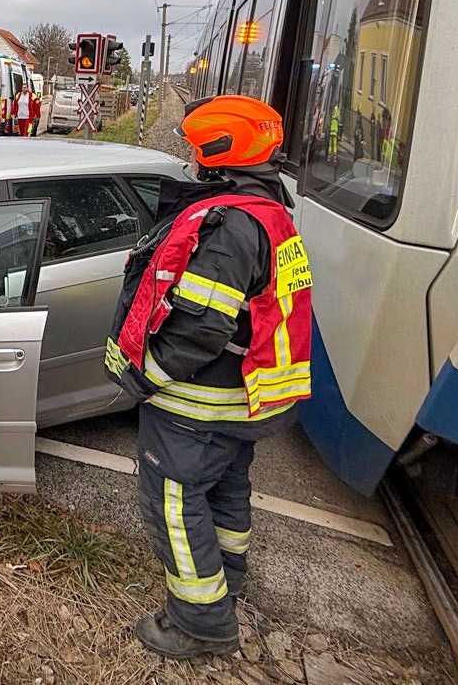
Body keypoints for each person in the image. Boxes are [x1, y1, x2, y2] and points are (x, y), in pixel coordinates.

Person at [103, 95, 313, 660]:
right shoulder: (270, 213)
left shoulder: (230, 227)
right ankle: (226, 585)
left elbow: (200, 329)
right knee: (224, 491)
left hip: (197, 405)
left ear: (221, 151)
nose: (192, 160)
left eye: (197, 149)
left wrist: (146, 377)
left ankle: (199, 622)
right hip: (241, 400)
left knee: (173, 502)